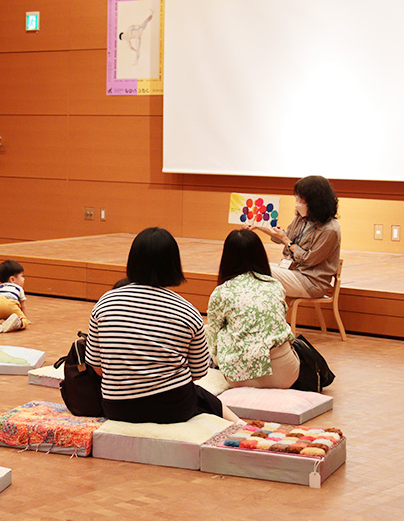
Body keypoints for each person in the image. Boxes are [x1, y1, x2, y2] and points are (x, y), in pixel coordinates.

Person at [84, 227, 237, 424]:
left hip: (117, 407)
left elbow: (97, 367)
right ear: (173, 264)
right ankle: (241, 427)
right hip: (173, 408)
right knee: (202, 396)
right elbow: (198, 373)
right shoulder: (187, 310)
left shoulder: (105, 302)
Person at [206, 230, 300, 388]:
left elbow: (213, 339)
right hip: (286, 374)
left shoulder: (222, 292)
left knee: (215, 330)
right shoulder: (275, 286)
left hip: (240, 377)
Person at [249, 175, 341, 299]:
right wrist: (260, 226)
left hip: (311, 281)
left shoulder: (330, 229)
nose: (297, 203)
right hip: (293, 271)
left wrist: (287, 241)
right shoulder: (302, 218)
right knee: (250, 265)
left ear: (315, 201)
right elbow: (285, 236)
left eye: (301, 198)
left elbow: (308, 260)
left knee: (257, 271)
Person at [0, 259, 29, 333]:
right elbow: (23, 306)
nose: (24, 279)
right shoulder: (18, 288)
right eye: (22, 276)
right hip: (10, 304)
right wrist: (25, 318)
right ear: (12, 279)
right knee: (24, 321)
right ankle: (17, 322)